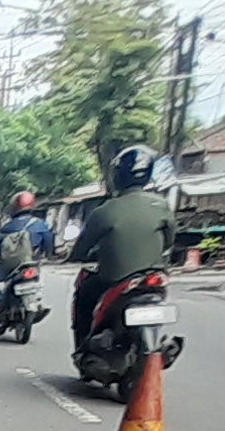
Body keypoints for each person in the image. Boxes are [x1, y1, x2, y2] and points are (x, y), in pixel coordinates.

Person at [68, 145, 176, 351]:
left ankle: (83, 347)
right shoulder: (161, 205)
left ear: (118, 175)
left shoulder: (106, 210)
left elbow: (83, 246)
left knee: (84, 294)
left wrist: (75, 256)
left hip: (115, 279)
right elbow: (169, 241)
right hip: (155, 277)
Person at [0, 191, 52, 314]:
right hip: (32, 264)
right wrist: (49, 255)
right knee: (39, 281)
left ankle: (0, 306)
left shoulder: (8, 227)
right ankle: (37, 302)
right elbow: (49, 243)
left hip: (9, 267)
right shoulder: (41, 224)